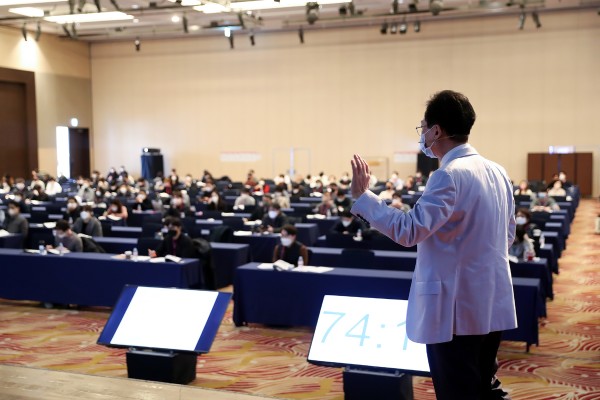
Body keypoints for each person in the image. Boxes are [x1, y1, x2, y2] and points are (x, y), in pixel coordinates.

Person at [349, 90, 516, 400]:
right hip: (492, 301)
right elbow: (507, 236)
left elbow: (409, 231)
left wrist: (364, 198)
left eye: (423, 128)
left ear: (436, 131)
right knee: (482, 389)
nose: (422, 135)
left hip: (455, 311)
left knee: (458, 392)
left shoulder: (448, 175)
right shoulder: (498, 171)